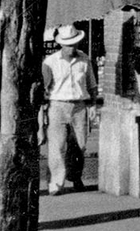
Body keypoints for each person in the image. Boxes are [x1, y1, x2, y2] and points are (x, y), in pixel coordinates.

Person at [42, 23, 98, 195]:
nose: (72, 47)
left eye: (75, 43)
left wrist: (93, 105)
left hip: (79, 106)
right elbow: (44, 89)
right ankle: (56, 183)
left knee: (80, 145)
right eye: (68, 44)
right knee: (57, 146)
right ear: (61, 44)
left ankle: (75, 177)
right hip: (57, 105)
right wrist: (43, 111)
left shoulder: (84, 59)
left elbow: (92, 85)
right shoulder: (50, 62)